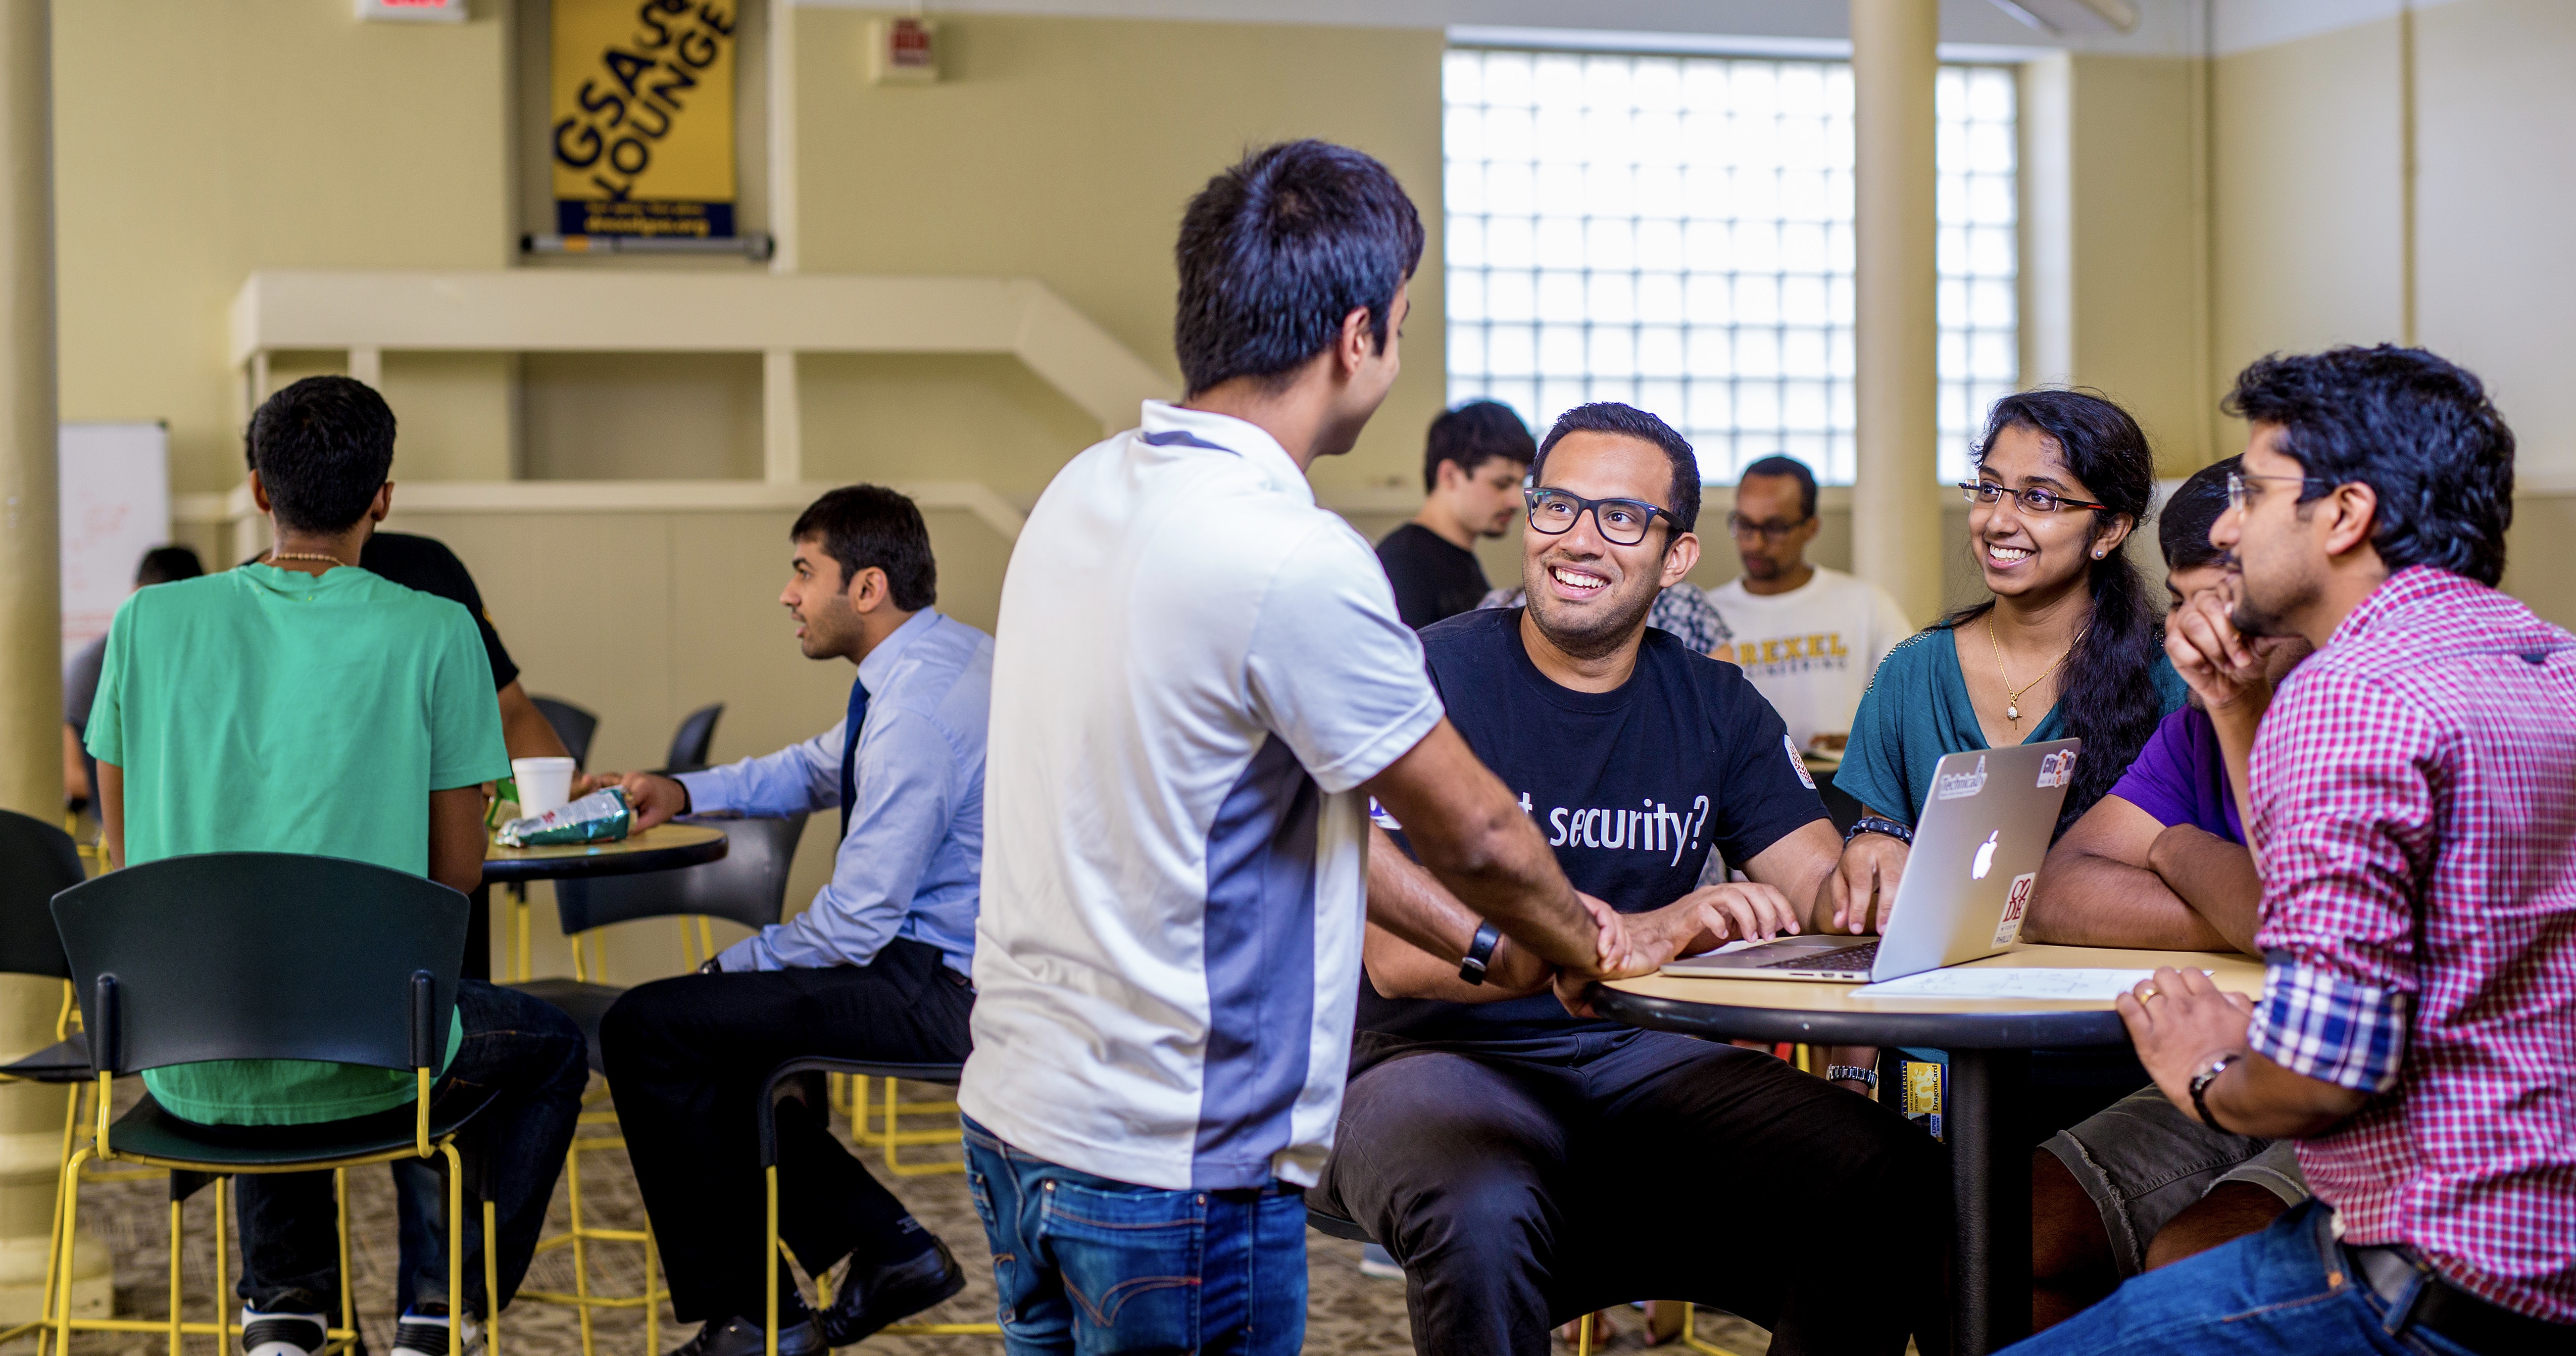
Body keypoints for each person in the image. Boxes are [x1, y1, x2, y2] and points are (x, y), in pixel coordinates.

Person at [959, 140, 1634, 1356]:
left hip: (1017, 1116)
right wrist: (1579, 942)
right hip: (1171, 1164)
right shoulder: (1289, 556)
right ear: (1357, 334)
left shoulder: (1083, 490)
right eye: (1405, 322)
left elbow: (1255, 812)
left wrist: (1493, 945)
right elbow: (1471, 828)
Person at [1312, 402, 1944, 1356]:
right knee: (1477, 1201)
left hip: (1646, 1051)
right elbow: (1397, 958)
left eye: (1620, 517)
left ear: (1677, 556)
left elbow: (1825, 890)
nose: (1578, 539)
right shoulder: (1427, 677)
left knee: (1891, 1172)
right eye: (1556, 505)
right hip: (1426, 1056)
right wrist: (1676, 919)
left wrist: (1874, 861)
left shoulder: (1717, 703)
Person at [2006, 347, 2576, 1352]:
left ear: (2345, 516)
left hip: (2417, 1270)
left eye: (2258, 495)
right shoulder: (2550, 660)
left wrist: (2208, 1065)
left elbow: (2321, 1081)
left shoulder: (2347, 695)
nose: (2229, 524)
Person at [85, 376, 585, 1356]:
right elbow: (454, 878)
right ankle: (442, 1311)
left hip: (195, 1057)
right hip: (379, 1056)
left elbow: (128, 859)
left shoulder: (147, 625)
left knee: (266, 983)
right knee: (546, 1045)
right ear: (384, 498)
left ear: (258, 491)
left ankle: (284, 1306)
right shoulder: (438, 629)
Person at [587, 486, 992, 1356]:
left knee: (647, 1026)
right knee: (713, 1034)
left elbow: (853, 925)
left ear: (869, 587)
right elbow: (815, 768)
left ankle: (760, 1314)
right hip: (941, 962)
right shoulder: (943, 661)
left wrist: (734, 965)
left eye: (805, 572)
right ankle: (881, 1252)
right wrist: (684, 789)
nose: (788, 594)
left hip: (943, 985)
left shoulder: (915, 713)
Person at [1828, 389, 2191, 1141]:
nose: (1999, 520)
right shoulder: (1910, 673)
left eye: (2040, 498)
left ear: (2110, 529)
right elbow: (1872, 889)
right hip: (1940, 1044)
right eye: (1988, 487)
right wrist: (1850, 1073)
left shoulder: (2167, 678)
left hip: (2111, 1047)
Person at [2020, 459, 2315, 1328]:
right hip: (2225, 1051)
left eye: (2227, 599)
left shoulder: (2351, 713)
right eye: (2186, 599)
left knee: (2196, 1258)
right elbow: (2059, 891)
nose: (2199, 631)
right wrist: (2225, 888)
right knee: (2013, 1228)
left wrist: (2176, 847)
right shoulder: (2195, 728)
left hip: (2356, 1082)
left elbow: (2290, 921)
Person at [1704, 454, 1913, 753]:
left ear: (1811, 527)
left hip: (1844, 787)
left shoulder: (1867, 605)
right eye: (1744, 525)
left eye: (1775, 528)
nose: (1756, 543)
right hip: (1743, 793)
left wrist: (1868, 740)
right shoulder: (1706, 616)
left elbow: (1913, 705)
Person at [63, 544, 203, 811]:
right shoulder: (93, 666)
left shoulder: (202, 658)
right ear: (136, 597)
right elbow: (73, 776)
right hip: (125, 819)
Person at [1376, 399, 1533, 628]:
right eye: (1501, 484)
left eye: (1519, 485)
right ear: (1449, 475)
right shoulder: (1404, 566)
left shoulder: (1458, 560)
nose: (1515, 502)